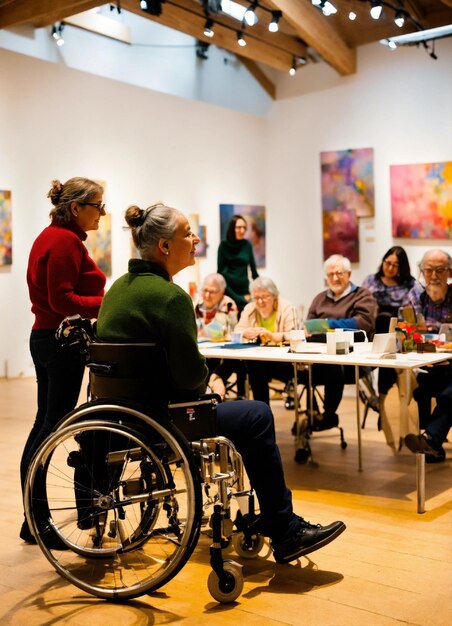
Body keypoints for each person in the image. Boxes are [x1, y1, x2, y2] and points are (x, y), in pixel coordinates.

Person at [96, 203, 345, 564]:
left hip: (125, 415)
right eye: (187, 233)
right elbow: (189, 379)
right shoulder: (171, 298)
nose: (196, 239)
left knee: (239, 408)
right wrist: (205, 380)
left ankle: (275, 520)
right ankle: (284, 526)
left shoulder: (117, 289)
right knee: (257, 414)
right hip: (164, 419)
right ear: (164, 247)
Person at [21, 177, 107, 544]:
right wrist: (106, 304)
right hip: (60, 340)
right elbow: (62, 301)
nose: (103, 212)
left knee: (46, 425)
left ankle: (33, 518)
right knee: (50, 429)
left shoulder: (54, 237)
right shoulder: (63, 241)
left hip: (47, 337)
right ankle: (37, 520)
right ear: (76, 208)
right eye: (98, 205)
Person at [303, 254, 377, 430]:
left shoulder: (362, 295)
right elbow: (309, 327)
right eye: (330, 274)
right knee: (298, 368)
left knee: (333, 363)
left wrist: (327, 324)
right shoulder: (320, 298)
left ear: (349, 274)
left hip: (350, 358)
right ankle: (311, 414)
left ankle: (329, 415)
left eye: (339, 273)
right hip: (318, 354)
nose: (335, 278)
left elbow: (362, 323)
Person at [362, 247, 419, 444]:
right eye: (387, 262)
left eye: (395, 265)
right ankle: (385, 409)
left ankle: (389, 411)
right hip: (374, 334)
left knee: (392, 361)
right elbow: (365, 309)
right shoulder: (371, 281)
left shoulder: (410, 284)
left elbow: (411, 312)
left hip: (400, 333)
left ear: (402, 267)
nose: (390, 268)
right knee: (383, 323)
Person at [402, 249, 452, 463]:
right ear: (421, 272)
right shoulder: (414, 296)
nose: (433, 276)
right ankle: (432, 441)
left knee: (450, 392)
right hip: (424, 364)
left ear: (449, 272)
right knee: (414, 385)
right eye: (428, 270)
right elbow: (406, 334)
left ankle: (431, 439)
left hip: (450, 365)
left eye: (440, 270)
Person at [235, 276, 298, 405]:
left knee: (254, 366)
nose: (260, 302)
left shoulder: (287, 308)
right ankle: (262, 409)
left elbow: (295, 336)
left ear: (275, 295)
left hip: (284, 362)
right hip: (260, 360)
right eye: (256, 298)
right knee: (252, 364)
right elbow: (235, 333)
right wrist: (244, 333)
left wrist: (274, 336)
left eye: (264, 297)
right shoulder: (250, 308)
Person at [217, 214, 259, 313]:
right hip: (229, 293)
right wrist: (237, 298)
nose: (242, 230)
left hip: (245, 293)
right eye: (239, 227)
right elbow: (220, 274)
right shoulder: (223, 246)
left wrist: (261, 289)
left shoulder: (247, 245)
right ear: (232, 228)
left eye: (244, 228)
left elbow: (254, 273)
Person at [194, 273, 237, 338]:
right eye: (205, 290)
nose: (207, 295)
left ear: (222, 293)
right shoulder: (197, 304)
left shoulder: (228, 305)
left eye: (212, 292)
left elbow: (233, 331)